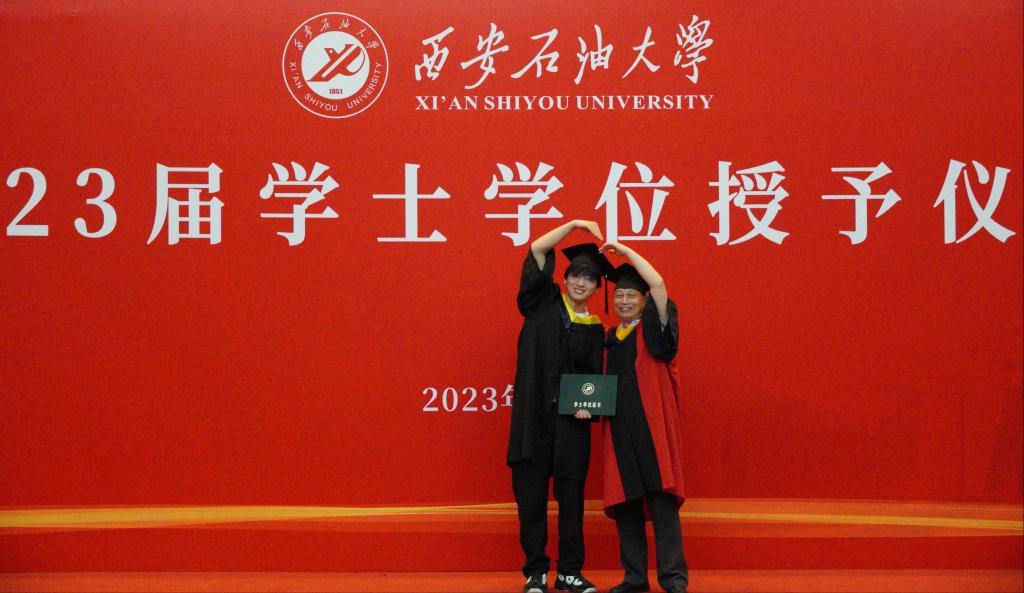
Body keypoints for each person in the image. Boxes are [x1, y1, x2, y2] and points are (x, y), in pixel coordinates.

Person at [507, 220, 612, 593]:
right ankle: (535, 571)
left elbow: (592, 379)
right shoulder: (543, 303)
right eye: (576, 275)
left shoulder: (595, 327)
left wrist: (589, 407)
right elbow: (537, 249)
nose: (582, 282)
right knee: (531, 499)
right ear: (564, 279)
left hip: (570, 424)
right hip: (533, 419)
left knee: (571, 500)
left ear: (597, 287)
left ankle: (569, 571)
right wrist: (575, 225)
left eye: (590, 279)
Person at [598, 242, 688, 593]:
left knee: (662, 504)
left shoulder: (654, 331)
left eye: (631, 296)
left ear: (644, 300)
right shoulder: (609, 337)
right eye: (619, 295)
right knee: (626, 504)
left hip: (652, 432)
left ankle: (673, 578)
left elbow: (659, 284)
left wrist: (625, 252)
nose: (623, 301)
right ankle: (635, 577)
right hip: (620, 431)